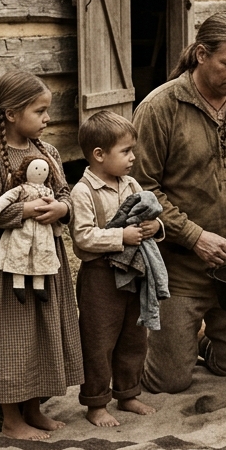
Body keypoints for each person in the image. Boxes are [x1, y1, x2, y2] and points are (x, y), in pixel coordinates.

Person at [134, 12, 226, 393]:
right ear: (201, 54)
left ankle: (198, 341)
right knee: (168, 382)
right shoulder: (160, 108)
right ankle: (156, 342)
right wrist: (194, 236)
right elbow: (141, 190)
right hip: (178, 270)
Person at [0, 70, 82, 440]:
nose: (47, 118)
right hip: (8, 263)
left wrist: (62, 209)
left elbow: (66, 193)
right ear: (12, 114)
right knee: (13, 333)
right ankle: (11, 418)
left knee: (41, 328)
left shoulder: (49, 152)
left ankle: (34, 408)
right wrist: (27, 210)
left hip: (46, 259)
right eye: (40, 111)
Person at [70, 111, 163, 426]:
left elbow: (146, 215)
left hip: (133, 272)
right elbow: (83, 237)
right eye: (126, 151)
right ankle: (96, 402)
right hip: (100, 277)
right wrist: (120, 237)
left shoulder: (130, 183)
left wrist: (155, 227)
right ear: (99, 154)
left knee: (134, 335)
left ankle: (128, 393)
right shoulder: (84, 191)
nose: (133, 157)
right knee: (99, 340)